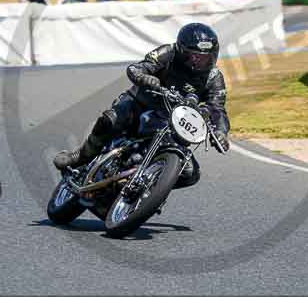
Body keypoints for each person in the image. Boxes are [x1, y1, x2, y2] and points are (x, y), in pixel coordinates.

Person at [53, 23, 231, 186]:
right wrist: (145, 77)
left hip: (175, 124)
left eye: (205, 58)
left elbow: (218, 108)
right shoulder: (168, 53)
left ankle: (150, 186)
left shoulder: (214, 78)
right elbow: (136, 68)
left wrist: (221, 133)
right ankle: (79, 157)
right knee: (110, 120)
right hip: (140, 104)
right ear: (182, 51)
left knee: (190, 174)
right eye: (195, 57)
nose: (200, 62)